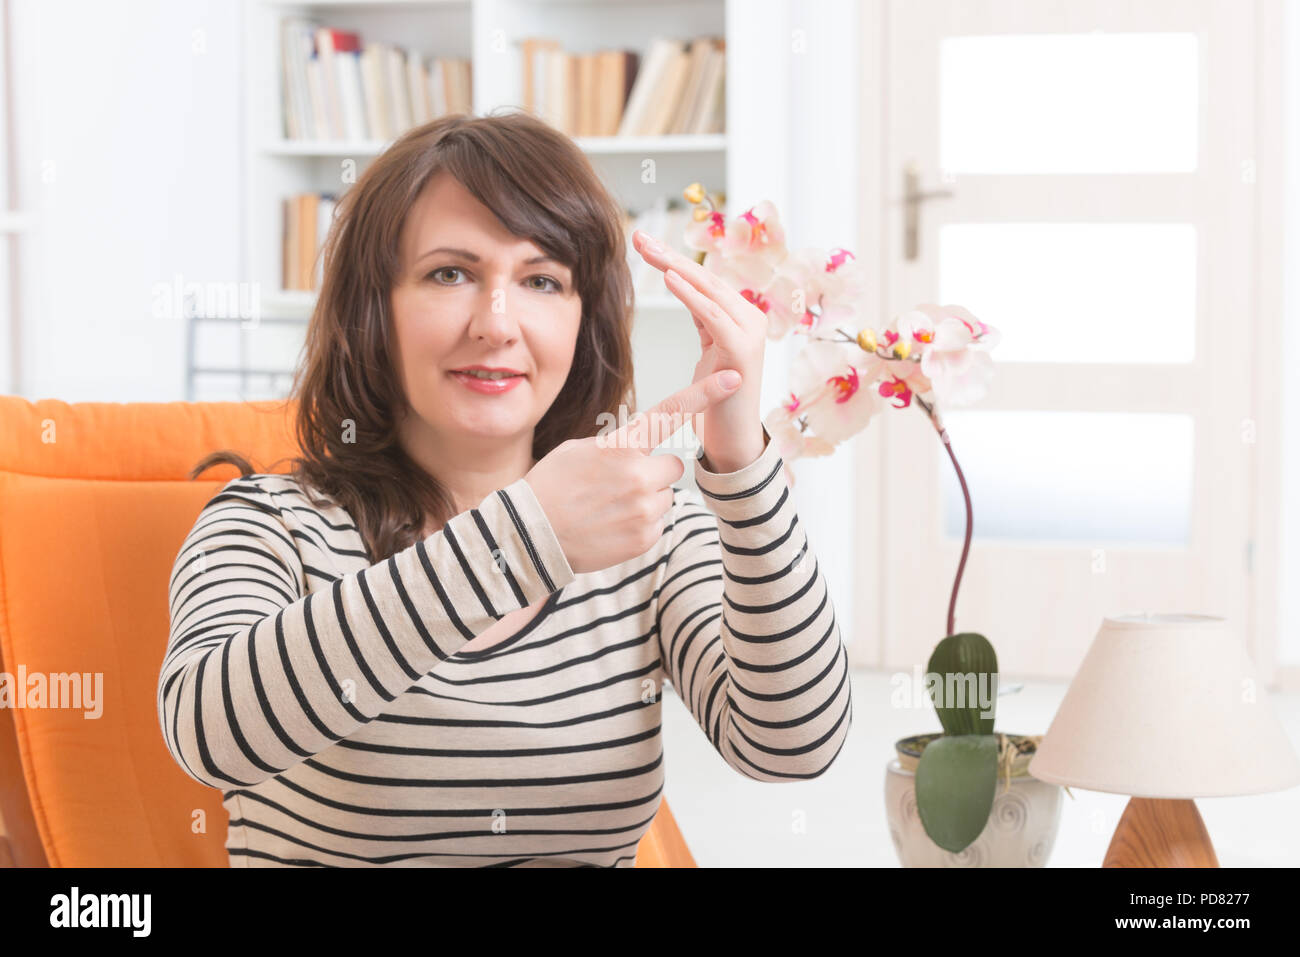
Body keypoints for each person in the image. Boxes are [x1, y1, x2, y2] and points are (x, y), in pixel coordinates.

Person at [159, 110, 852, 867]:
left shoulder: (643, 523)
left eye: (542, 280)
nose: (497, 323)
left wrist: (742, 466)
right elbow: (207, 736)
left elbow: (794, 743)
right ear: (374, 310)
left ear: (582, 320)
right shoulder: (269, 524)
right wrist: (525, 538)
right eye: (450, 273)